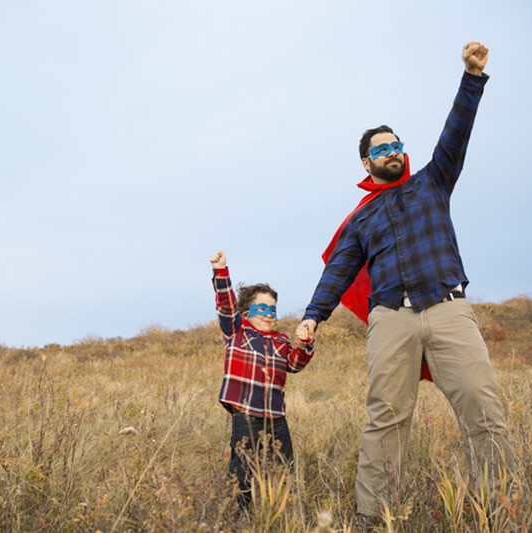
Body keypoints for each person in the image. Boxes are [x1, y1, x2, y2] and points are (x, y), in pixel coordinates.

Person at [296, 42, 516, 524]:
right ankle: (375, 519)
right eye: (382, 149)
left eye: (397, 145)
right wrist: (313, 316)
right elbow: (338, 270)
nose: (393, 152)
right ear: (366, 163)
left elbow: (455, 135)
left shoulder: (432, 182)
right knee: (385, 421)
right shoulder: (361, 218)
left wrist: (471, 79)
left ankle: (503, 511)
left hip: (447, 306)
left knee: (482, 406)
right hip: (391, 319)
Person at [210, 250, 314, 510]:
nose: (269, 314)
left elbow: (294, 364)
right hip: (246, 415)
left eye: (273, 310)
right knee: (243, 469)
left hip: (276, 418)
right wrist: (222, 272)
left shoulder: (280, 340)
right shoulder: (237, 331)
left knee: (283, 468)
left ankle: (279, 513)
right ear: (247, 311)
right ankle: (240, 516)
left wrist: (304, 345)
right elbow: (226, 306)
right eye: (262, 308)